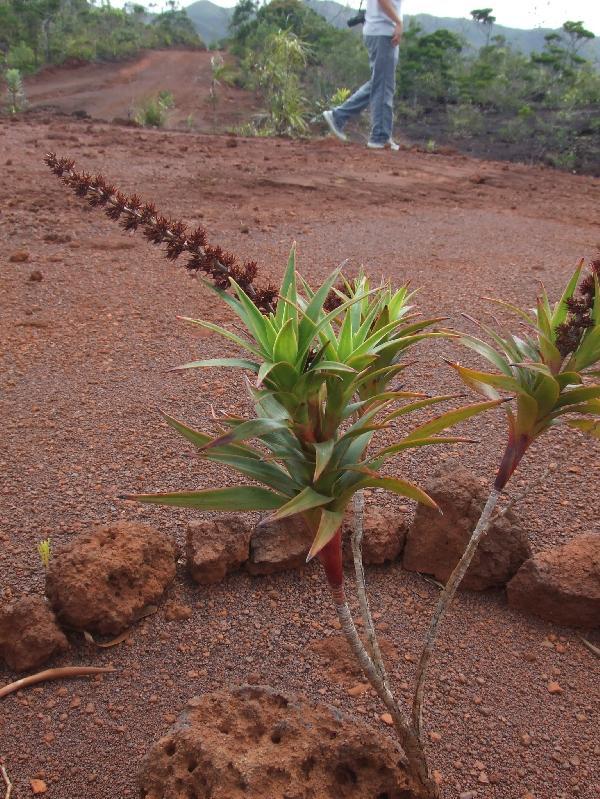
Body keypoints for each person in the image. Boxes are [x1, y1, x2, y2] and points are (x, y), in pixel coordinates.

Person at [323, 0, 402, 150]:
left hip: (380, 30)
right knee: (384, 84)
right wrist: (398, 22)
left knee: (379, 82)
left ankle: (338, 116)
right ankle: (379, 136)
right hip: (383, 31)